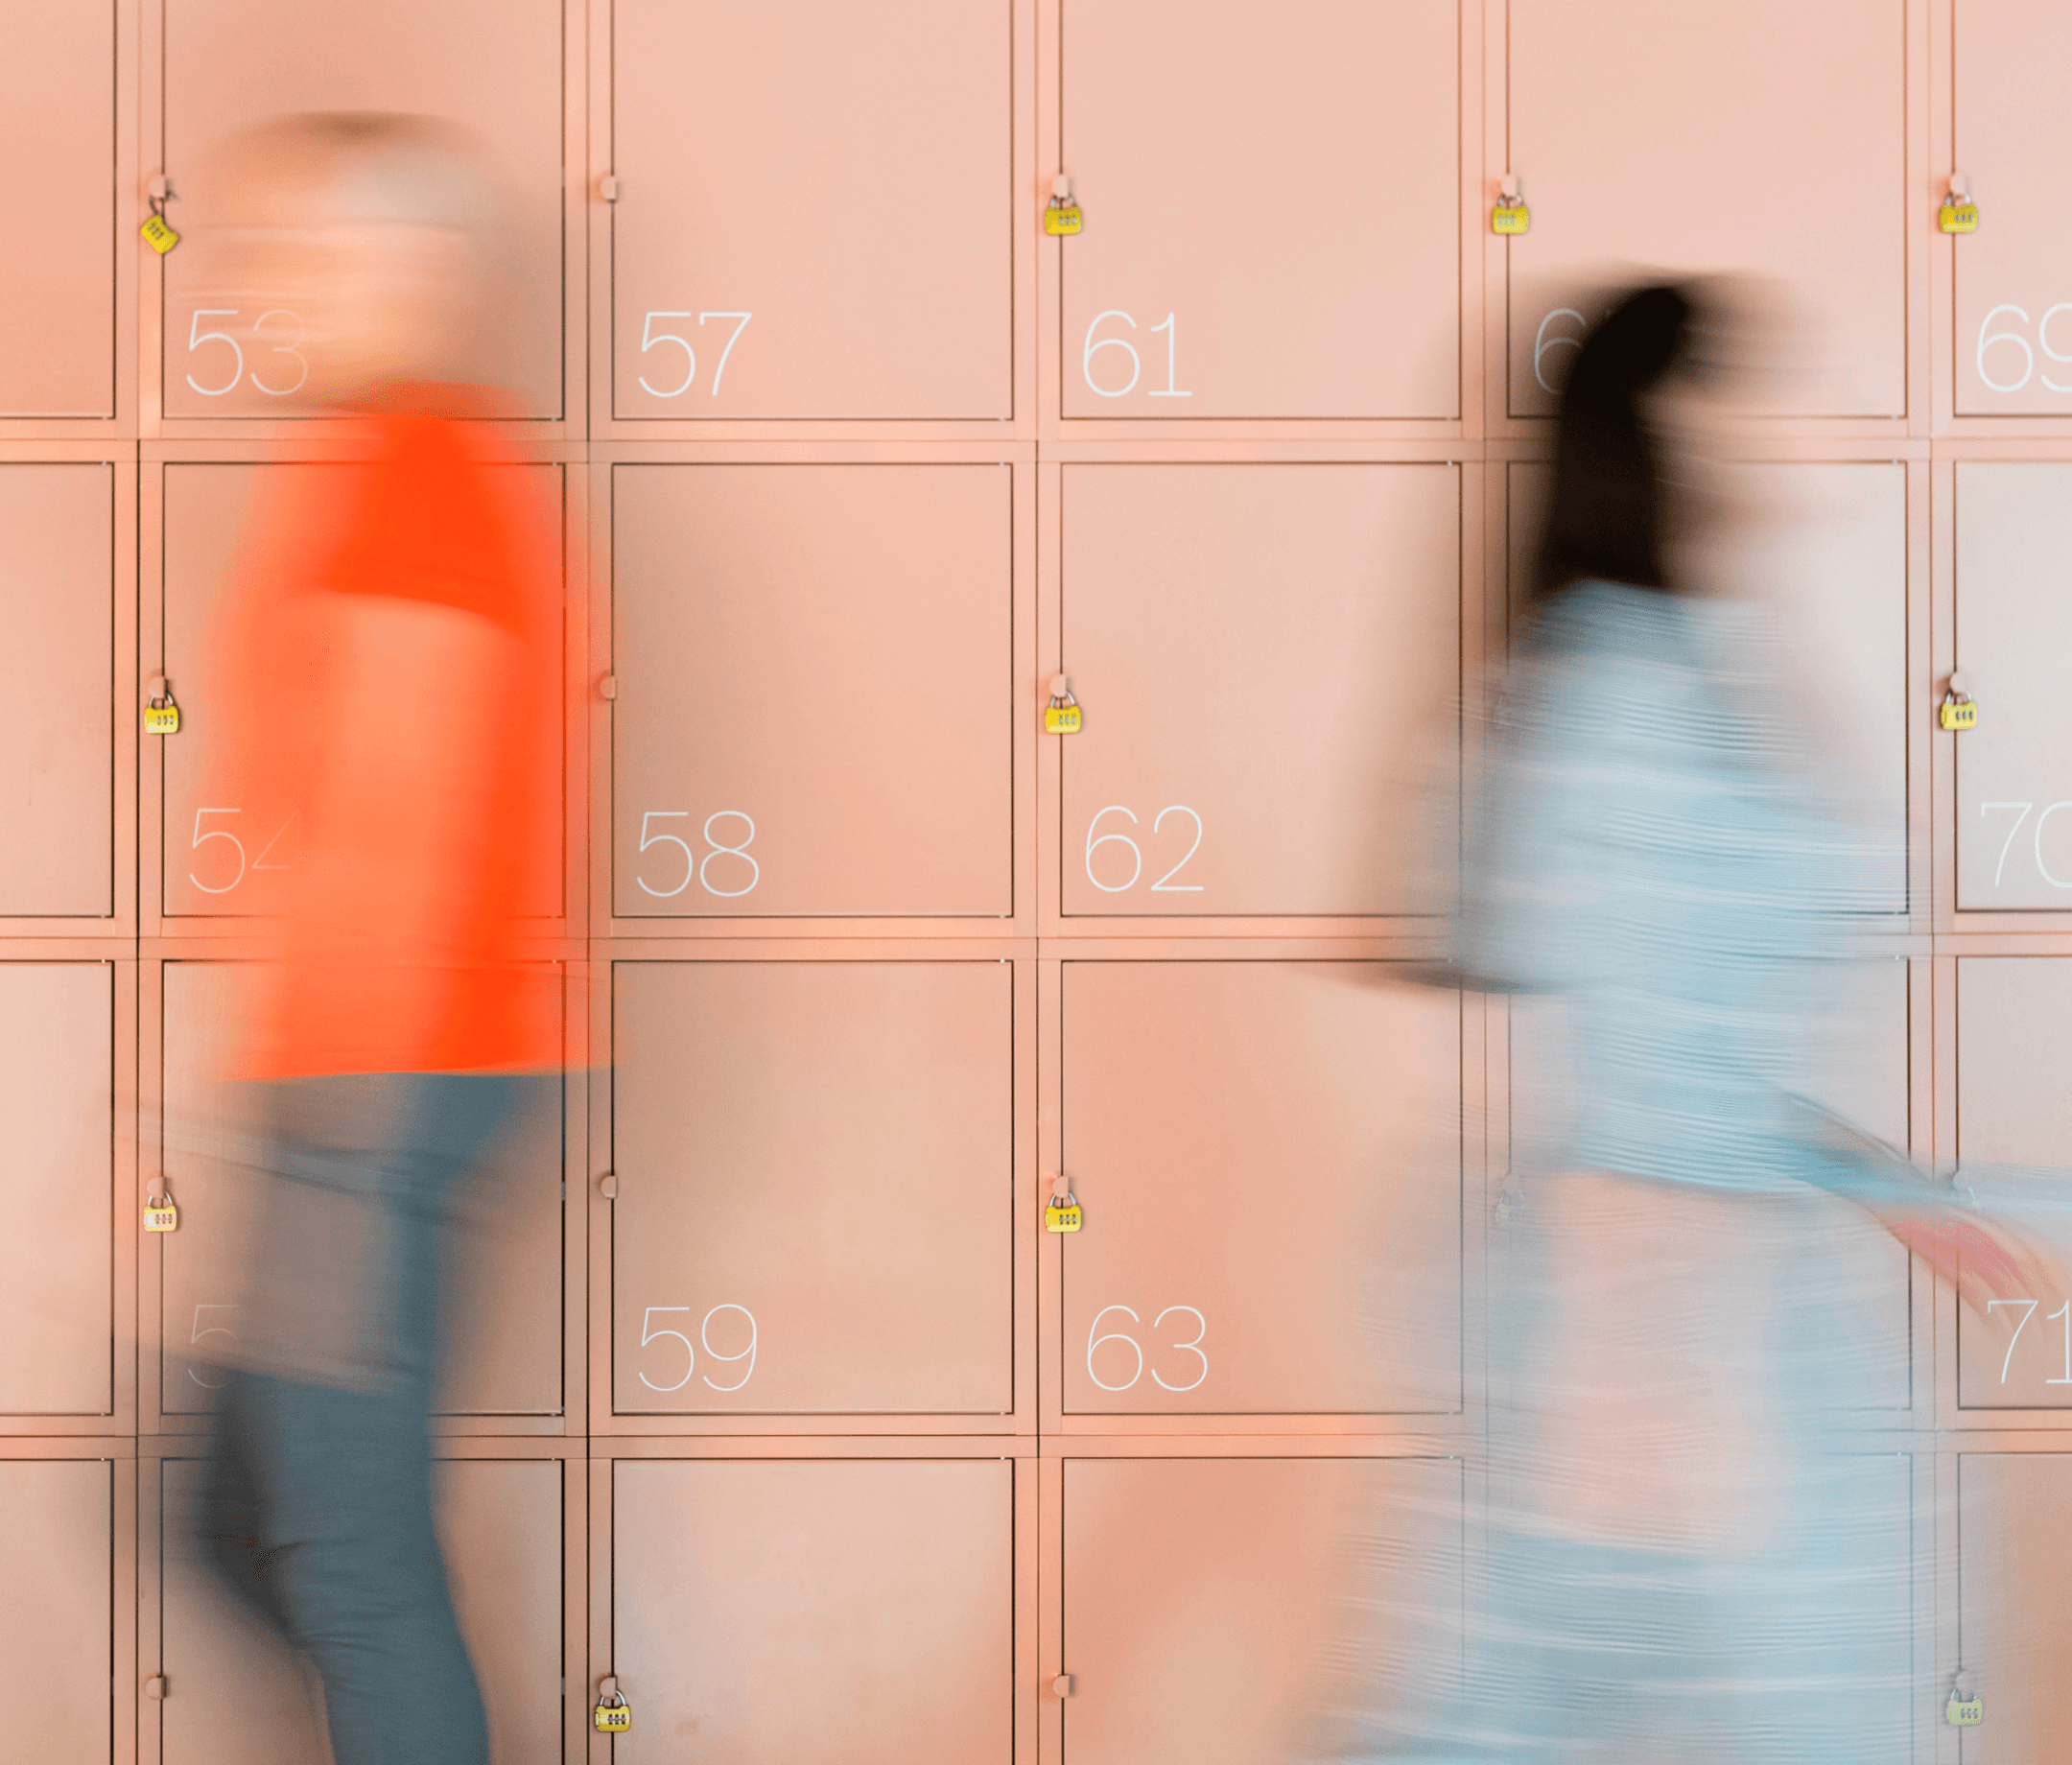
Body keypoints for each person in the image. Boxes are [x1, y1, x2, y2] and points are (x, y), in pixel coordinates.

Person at [1298, 283, 2056, 1763]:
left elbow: (1700, 1044)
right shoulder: (1627, 695)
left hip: (1676, 1285)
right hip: (1664, 1309)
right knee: (1736, 1702)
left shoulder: (1666, 665)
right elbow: (1671, 1085)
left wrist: (1906, 1201)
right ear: (1674, 425)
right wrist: (1933, 1200)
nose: (1802, 425)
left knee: (1538, 1700)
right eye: (1758, 388)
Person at [189, 113, 562, 1765]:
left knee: (349, 1558)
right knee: (220, 1513)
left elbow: (407, 808)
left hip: (384, 1073)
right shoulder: (367, 457)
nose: (261, 289)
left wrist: (336, 1145)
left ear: (418, 273)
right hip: (345, 1075)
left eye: (302, 255)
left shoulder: (417, 464)